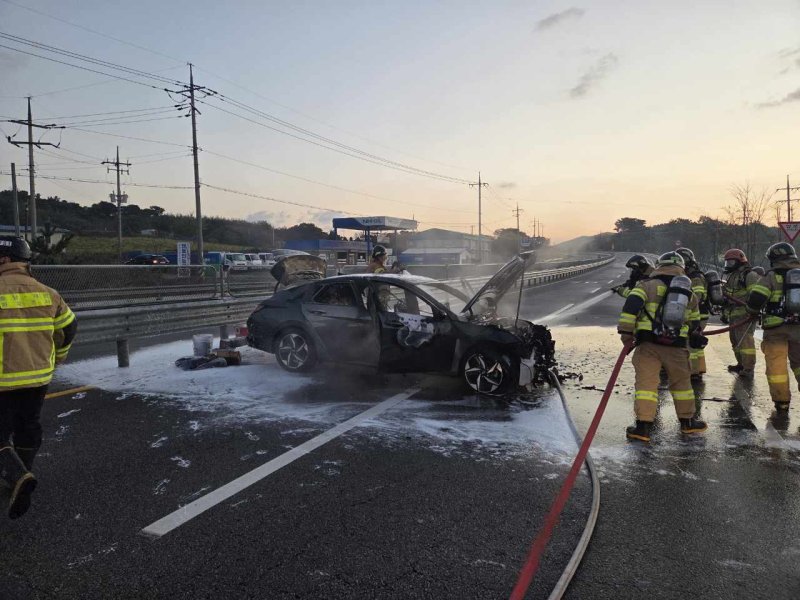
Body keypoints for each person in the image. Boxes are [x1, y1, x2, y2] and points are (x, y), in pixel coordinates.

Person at [0, 236, 76, 519]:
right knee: (27, 426)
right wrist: (60, 355)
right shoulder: (48, 293)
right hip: (38, 377)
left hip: (3, 378)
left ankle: (17, 475)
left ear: (5, 260)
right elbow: (70, 327)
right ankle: (20, 474)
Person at [618, 251, 707, 442]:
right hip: (677, 347)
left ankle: (642, 428)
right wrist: (693, 336)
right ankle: (688, 423)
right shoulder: (688, 293)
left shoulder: (646, 285)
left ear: (659, 266)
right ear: (681, 268)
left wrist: (626, 333)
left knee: (646, 385)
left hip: (648, 344)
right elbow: (694, 322)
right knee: (682, 384)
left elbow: (631, 307)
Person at [745, 242, 800, 411]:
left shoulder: (771, 276)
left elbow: (756, 300)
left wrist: (751, 311)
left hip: (776, 330)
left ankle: (782, 401)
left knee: (777, 366)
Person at [721, 248, 759, 376]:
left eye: (731, 262)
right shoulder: (732, 275)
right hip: (734, 314)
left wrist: (752, 311)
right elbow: (728, 294)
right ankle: (741, 364)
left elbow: (754, 296)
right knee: (735, 341)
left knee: (745, 342)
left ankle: (748, 368)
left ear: (740, 261)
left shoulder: (750, 275)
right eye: (727, 263)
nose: (728, 265)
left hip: (745, 314)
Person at [676, 247, 709, 381]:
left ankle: (693, 373)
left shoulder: (695, 278)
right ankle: (699, 369)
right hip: (696, 314)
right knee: (696, 343)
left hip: (698, 315)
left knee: (691, 344)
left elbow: (697, 297)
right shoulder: (690, 276)